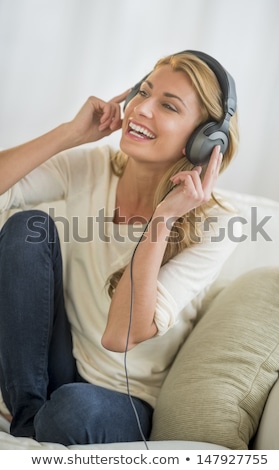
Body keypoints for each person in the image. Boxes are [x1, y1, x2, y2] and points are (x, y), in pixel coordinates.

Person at [0, 50, 239, 445]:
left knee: (73, 410)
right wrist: (69, 134)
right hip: (57, 368)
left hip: (121, 401)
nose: (141, 109)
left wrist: (164, 218)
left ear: (203, 141)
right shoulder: (93, 166)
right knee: (28, 228)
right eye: (142, 93)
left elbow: (119, 335)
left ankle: (41, 425)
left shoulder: (218, 223)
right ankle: (29, 424)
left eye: (168, 106)